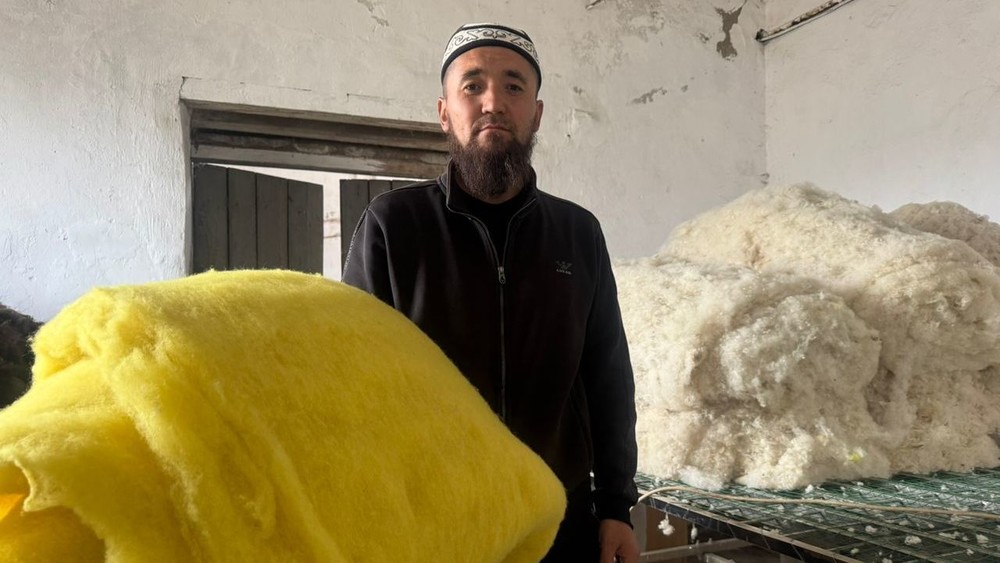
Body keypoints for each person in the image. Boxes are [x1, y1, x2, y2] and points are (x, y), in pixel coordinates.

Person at [343, 22, 640, 563]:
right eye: (473, 85)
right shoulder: (392, 225)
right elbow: (355, 386)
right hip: (432, 520)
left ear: (537, 113)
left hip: (559, 519)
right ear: (444, 112)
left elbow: (608, 377)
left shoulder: (578, 232)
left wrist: (617, 505)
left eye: (513, 86)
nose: (493, 103)